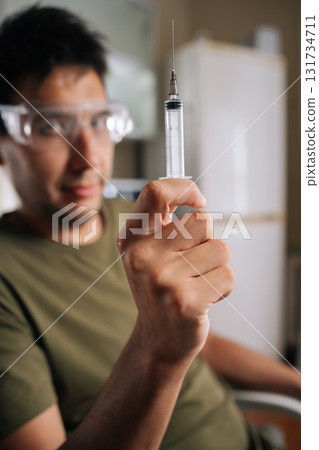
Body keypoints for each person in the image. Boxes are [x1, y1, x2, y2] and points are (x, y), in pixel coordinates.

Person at [0, 5, 300, 450]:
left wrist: (299, 383)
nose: (88, 157)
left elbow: (203, 345)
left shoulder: (132, 222)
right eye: (50, 126)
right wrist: (158, 349)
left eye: (100, 121)